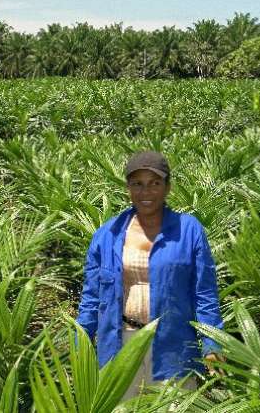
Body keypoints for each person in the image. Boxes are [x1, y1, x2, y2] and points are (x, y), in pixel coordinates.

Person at [76, 150, 224, 399]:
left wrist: (212, 343)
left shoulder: (189, 230)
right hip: (120, 343)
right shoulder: (107, 234)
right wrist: (81, 340)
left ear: (168, 187)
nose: (146, 192)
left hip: (173, 344)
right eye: (138, 184)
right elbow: (92, 296)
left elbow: (204, 293)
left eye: (155, 183)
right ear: (128, 188)